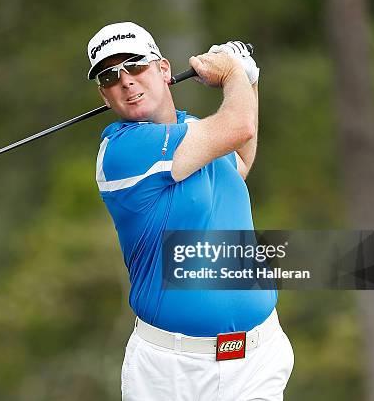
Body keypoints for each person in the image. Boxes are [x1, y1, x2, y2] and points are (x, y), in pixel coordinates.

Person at [87, 22, 294, 401]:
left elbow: (240, 162)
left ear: (164, 70)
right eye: (110, 76)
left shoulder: (196, 131)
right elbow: (239, 126)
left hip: (256, 360)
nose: (126, 81)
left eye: (135, 65)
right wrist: (232, 72)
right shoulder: (123, 152)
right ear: (104, 95)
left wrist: (248, 79)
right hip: (171, 374)